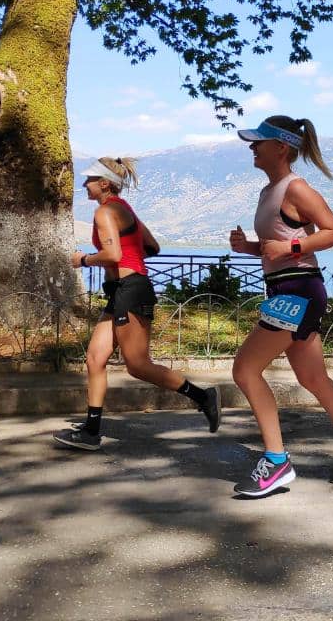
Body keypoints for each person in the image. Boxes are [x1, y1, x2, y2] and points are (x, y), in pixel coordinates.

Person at [228, 115, 333, 497]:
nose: (252, 147)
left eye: (259, 141)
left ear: (281, 147)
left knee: (245, 370)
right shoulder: (269, 191)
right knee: (313, 378)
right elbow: (278, 244)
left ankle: (277, 462)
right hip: (287, 288)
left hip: (297, 291)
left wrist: (290, 247)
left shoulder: (296, 188)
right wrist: (250, 247)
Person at [53, 157, 220, 451]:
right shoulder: (124, 209)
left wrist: (84, 260)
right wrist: (131, 260)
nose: (84, 184)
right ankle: (91, 431)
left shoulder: (105, 212)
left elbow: (113, 255)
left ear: (105, 183)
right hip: (124, 289)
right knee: (95, 358)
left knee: (138, 365)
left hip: (130, 291)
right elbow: (152, 246)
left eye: (89, 179)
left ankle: (203, 397)